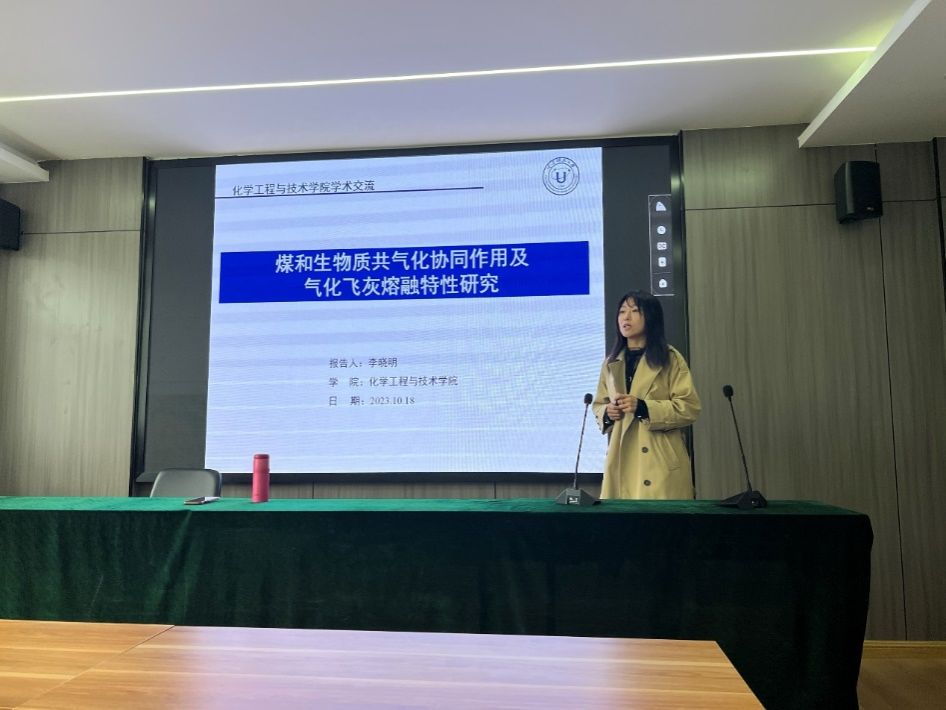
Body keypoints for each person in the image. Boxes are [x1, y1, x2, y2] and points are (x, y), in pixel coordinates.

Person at [592, 290, 701, 499]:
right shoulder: (611, 362)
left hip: (659, 461)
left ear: (650, 317)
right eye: (622, 311)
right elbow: (599, 404)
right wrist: (608, 413)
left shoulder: (670, 358)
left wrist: (643, 407)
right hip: (621, 459)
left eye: (634, 311)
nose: (626, 317)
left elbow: (689, 407)